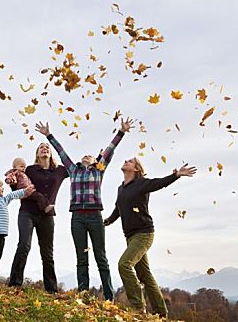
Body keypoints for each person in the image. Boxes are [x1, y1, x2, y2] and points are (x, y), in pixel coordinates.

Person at [35, 118, 134, 301]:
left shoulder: (99, 169)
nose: (86, 156)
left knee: (100, 257)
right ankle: (84, 294)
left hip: (95, 216)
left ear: (95, 160)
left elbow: (110, 150)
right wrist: (49, 135)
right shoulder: (73, 170)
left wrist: (121, 132)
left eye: (90, 155)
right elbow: (61, 152)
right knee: (82, 258)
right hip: (78, 218)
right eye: (84, 155)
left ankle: (109, 296)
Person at [103, 158, 197, 317]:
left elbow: (159, 183)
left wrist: (176, 175)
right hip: (131, 236)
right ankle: (161, 313)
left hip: (144, 234)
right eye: (126, 160)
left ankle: (138, 307)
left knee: (124, 265)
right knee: (145, 275)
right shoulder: (121, 189)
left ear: (137, 169)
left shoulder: (141, 183)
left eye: (131, 161)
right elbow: (118, 209)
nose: (126, 161)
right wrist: (107, 221)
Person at [8, 143, 69, 292]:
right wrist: (12, 183)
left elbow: (74, 168)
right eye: (41, 147)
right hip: (27, 212)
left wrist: (96, 160)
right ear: (37, 153)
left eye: (47, 147)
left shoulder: (60, 171)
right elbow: (18, 185)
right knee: (24, 245)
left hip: (47, 215)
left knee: (47, 252)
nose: (44, 148)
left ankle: (51, 289)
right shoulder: (30, 170)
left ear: (51, 153)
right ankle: (15, 284)